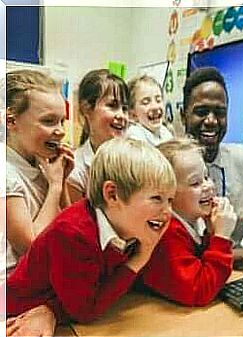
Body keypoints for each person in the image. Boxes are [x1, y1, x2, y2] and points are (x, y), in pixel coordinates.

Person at [6, 138, 176, 327]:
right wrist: (141, 258)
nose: (168, 211)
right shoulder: (73, 234)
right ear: (112, 194)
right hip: (17, 320)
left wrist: (52, 310)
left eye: (170, 200)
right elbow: (86, 311)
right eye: (157, 198)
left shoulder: (132, 225)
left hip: (58, 319)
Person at [182, 67, 243, 270]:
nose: (211, 120)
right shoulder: (165, 166)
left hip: (236, 276)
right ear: (183, 115)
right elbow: (175, 256)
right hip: (192, 277)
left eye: (220, 113)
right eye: (201, 112)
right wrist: (240, 257)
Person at [141, 138, 236, 306]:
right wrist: (221, 237)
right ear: (167, 194)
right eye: (195, 183)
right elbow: (199, 291)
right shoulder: (166, 232)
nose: (208, 186)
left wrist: (211, 233)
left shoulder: (189, 222)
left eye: (206, 176)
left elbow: (201, 266)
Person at [4, 69, 74, 276]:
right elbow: (31, 247)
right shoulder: (5, 173)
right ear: (11, 122)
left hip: (37, 278)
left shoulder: (42, 163)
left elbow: (69, 228)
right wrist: (54, 187)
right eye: (48, 121)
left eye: (62, 121)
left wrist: (61, 184)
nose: (60, 130)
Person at [66, 69, 129, 203]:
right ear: (86, 109)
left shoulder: (137, 158)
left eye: (125, 108)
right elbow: (75, 221)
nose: (122, 115)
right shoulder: (75, 170)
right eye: (112, 106)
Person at [125, 75, 173, 146]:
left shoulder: (165, 132)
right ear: (132, 115)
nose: (155, 107)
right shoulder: (133, 137)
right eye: (146, 103)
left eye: (158, 100)